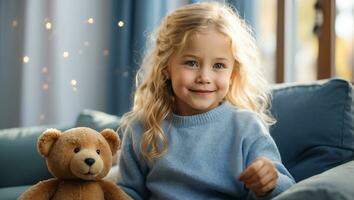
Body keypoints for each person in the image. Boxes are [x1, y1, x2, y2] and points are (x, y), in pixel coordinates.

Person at [117, 2, 295, 200]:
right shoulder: (142, 127)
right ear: (166, 66)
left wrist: (271, 182)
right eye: (191, 63)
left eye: (219, 65)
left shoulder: (246, 127)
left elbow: (289, 190)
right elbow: (128, 192)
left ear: (233, 74)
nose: (204, 77)